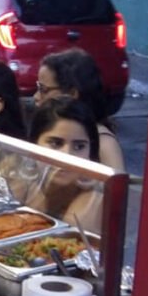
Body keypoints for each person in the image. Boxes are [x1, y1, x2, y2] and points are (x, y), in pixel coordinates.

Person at [33, 48, 126, 172]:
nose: (36, 96)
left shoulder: (104, 142)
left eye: (43, 89)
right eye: (55, 143)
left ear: (72, 93)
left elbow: (115, 188)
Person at [23, 96, 103, 230]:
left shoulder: (93, 201)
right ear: (34, 144)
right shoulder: (24, 183)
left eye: (79, 147)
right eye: (55, 144)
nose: (67, 156)